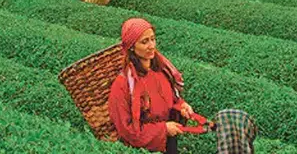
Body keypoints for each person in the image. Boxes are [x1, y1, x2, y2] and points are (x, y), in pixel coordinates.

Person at [107, 18, 256, 153]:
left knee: (232, 121)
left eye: (152, 39)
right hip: (149, 144)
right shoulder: (122, 86)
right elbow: (128, 132)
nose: (151, 46)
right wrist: (163, 129)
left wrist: (182, 106)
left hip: (170, 136)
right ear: (132, 47)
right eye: (144, 42)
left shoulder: (159, 71)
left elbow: (171, 100)